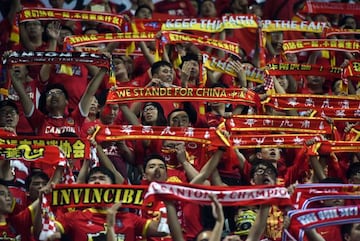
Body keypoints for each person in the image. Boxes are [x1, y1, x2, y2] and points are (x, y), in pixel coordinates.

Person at [44, 166, 167, 241]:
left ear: (113, 187)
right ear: (86, 187)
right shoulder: (74, 217)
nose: (97, 182)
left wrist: (169, 204)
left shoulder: (131, 219)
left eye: (102, 178)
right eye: (93, 179)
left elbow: (163, 230)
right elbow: (43, 233)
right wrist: (43, 198)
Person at [10, 54, 108, 136]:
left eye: (58, 93)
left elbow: (89, 92)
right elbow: (21, 92)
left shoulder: (76, 118)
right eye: (49, 94)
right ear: (46, 104)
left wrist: (103, 69)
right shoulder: (39, 120)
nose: (53, 95)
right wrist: (9, 67)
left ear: (66, 102)